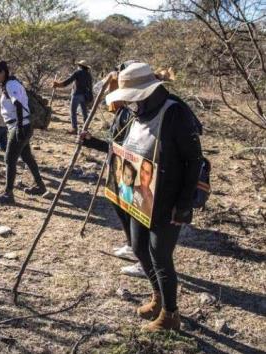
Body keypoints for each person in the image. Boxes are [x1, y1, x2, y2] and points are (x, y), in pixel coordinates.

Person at [105, 62, 203, 332]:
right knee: (139, 247)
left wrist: (183, 206)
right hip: (141, 197)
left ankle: (171, 315)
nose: (129, 103)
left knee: (160, 256)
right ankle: (157, 296)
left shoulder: (176, 113)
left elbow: (193, 161)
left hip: (168, 200)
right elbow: (122, 148)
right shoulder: (137, 113)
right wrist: (91, 141)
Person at [79, 66, 145, 278]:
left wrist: (97, 144)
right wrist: (91, 142)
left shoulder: (131, 114)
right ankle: (131, 245)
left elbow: (125, 147)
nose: (108, 98)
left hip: (130, 169)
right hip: (117, 166)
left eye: (111, 94)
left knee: (134, 212)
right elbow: (113, 145)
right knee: (120, 205)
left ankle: (143, 257)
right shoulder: (121, 113)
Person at [0, 61, 46, 205]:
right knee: (26, 156)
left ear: (2, 72)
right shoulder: (10, 84)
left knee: (9, 159)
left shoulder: (10, 85)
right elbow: (10, 108)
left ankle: (8, 194)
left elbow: (18, 105)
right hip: (22, 125)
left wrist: (19, 128)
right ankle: (40, 186)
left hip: (19, 126)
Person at [52, 60, 93, 134]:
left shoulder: (77, 73)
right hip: (85, 96)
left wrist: (57, 85)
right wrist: (90, 97)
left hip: (76, 95)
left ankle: (74, 128)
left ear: (80, 66)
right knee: (84, 113)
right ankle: (86, 129)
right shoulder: (88, 75)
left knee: (73, 112)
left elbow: (67, 82)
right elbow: (90, 87)